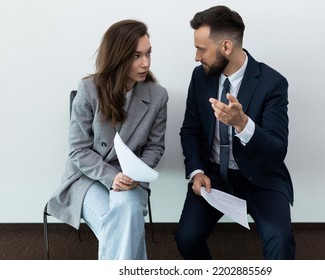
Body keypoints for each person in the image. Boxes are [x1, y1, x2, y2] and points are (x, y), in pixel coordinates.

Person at [175, 5, 295, 260]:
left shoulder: (273, 83)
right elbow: (190, 131)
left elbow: (276, 152)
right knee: (185, 238)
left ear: (226, 47)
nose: (197, 56)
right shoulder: (200, 77)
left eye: (201, 49)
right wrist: (196, 172)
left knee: (280, 241)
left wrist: (243, 125)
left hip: (260, 178)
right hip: (214, 177)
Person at [46, 19, 168, 260]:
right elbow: (78, 150)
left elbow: (155, 147)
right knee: (125, 227)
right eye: (136, 56)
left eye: (148, 53)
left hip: (132, 180)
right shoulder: (89, 89)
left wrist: (135, 174)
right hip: (88, 177)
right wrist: (112, 177)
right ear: (118, 57)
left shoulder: (157, 96)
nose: (146, 63)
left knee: (123, 218)